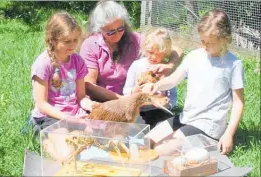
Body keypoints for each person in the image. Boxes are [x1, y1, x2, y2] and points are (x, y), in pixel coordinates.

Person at [143, 9, 245, 155]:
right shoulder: (194, 56)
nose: (204, 46)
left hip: (207, 126)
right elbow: (174, 79)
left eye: (210, 43)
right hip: (186, 118)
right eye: (202, 40)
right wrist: (156, 85)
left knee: (160, 150)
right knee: (145, 141)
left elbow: (238, 103)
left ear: (225, 38)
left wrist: (229, 134)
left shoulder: (234, 64)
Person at [80, 0, 183, 102]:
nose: (117, 35)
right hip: (103, 102)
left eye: (120, 29)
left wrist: (169, 66)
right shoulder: (90, 45)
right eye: (111, 32)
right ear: (99, 29)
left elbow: (177, 50)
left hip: (133, 99)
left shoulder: (135, 40)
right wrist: (122, 99)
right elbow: (89, 85)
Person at [30, 12, 96, 132]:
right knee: (65, 141)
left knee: (95, 134)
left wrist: (93, 106)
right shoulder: (43, 64)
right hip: (50, 116)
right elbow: (42, 104)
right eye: (67, 41)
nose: (72, 45)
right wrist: (66, 118)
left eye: (75, 40)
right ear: (53, 40)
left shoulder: (78, 61)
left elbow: (81, 97)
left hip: (74, 114)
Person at [123, 26, 177, 128]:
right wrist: (135, 91)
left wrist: (168, 104)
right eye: (151, 52)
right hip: (139, 110)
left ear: (165, 52)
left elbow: (173, 95)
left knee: (165, 128)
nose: (154, 57)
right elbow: (126, 90)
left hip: (160, 110)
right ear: (144, 48)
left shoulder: (165, 69)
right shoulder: (137, 65)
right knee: (135, 128)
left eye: (159, 54)